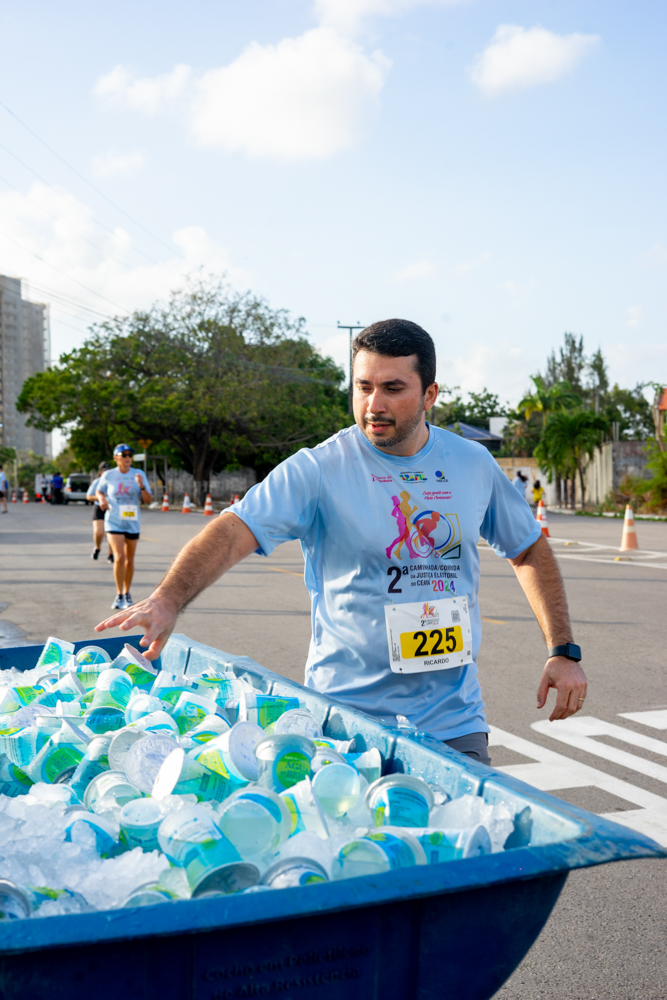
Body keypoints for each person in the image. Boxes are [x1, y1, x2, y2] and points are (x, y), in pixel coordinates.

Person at [96, 320, 587, 764]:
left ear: (430, 394)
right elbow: (233, 530)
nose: (374, 405)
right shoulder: (319, 469)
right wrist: (168, 597)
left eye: (393, 388)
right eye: (363, 387)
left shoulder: (473, 464)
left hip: (453, 723)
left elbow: (528, 547)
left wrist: (562, 649)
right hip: (345, 726)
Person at [96, 445, 152, 610]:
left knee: (129, 560)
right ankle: (119, 594)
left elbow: (148, 500)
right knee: (119, 557)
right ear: (116, 457)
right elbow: (99, 491)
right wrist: (102, 499)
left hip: (132, 521)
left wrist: (141, 486)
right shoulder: (108, 475)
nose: (128, 457)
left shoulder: (139, 474)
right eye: (124, 454)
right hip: (113, 521)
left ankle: (127, 593)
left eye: (130, 455)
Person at [87, 461, 114, 562]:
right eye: (104, 470)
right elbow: (89, 496)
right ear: (100, 472)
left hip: (111, 509)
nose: (107, 472)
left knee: (112, 533)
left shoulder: (114, 481)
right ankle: (97, 547)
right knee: (99, 532)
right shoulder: (97, 482)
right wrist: (101, 498)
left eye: (108, 470)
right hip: (99, 508)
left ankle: (111, 554)